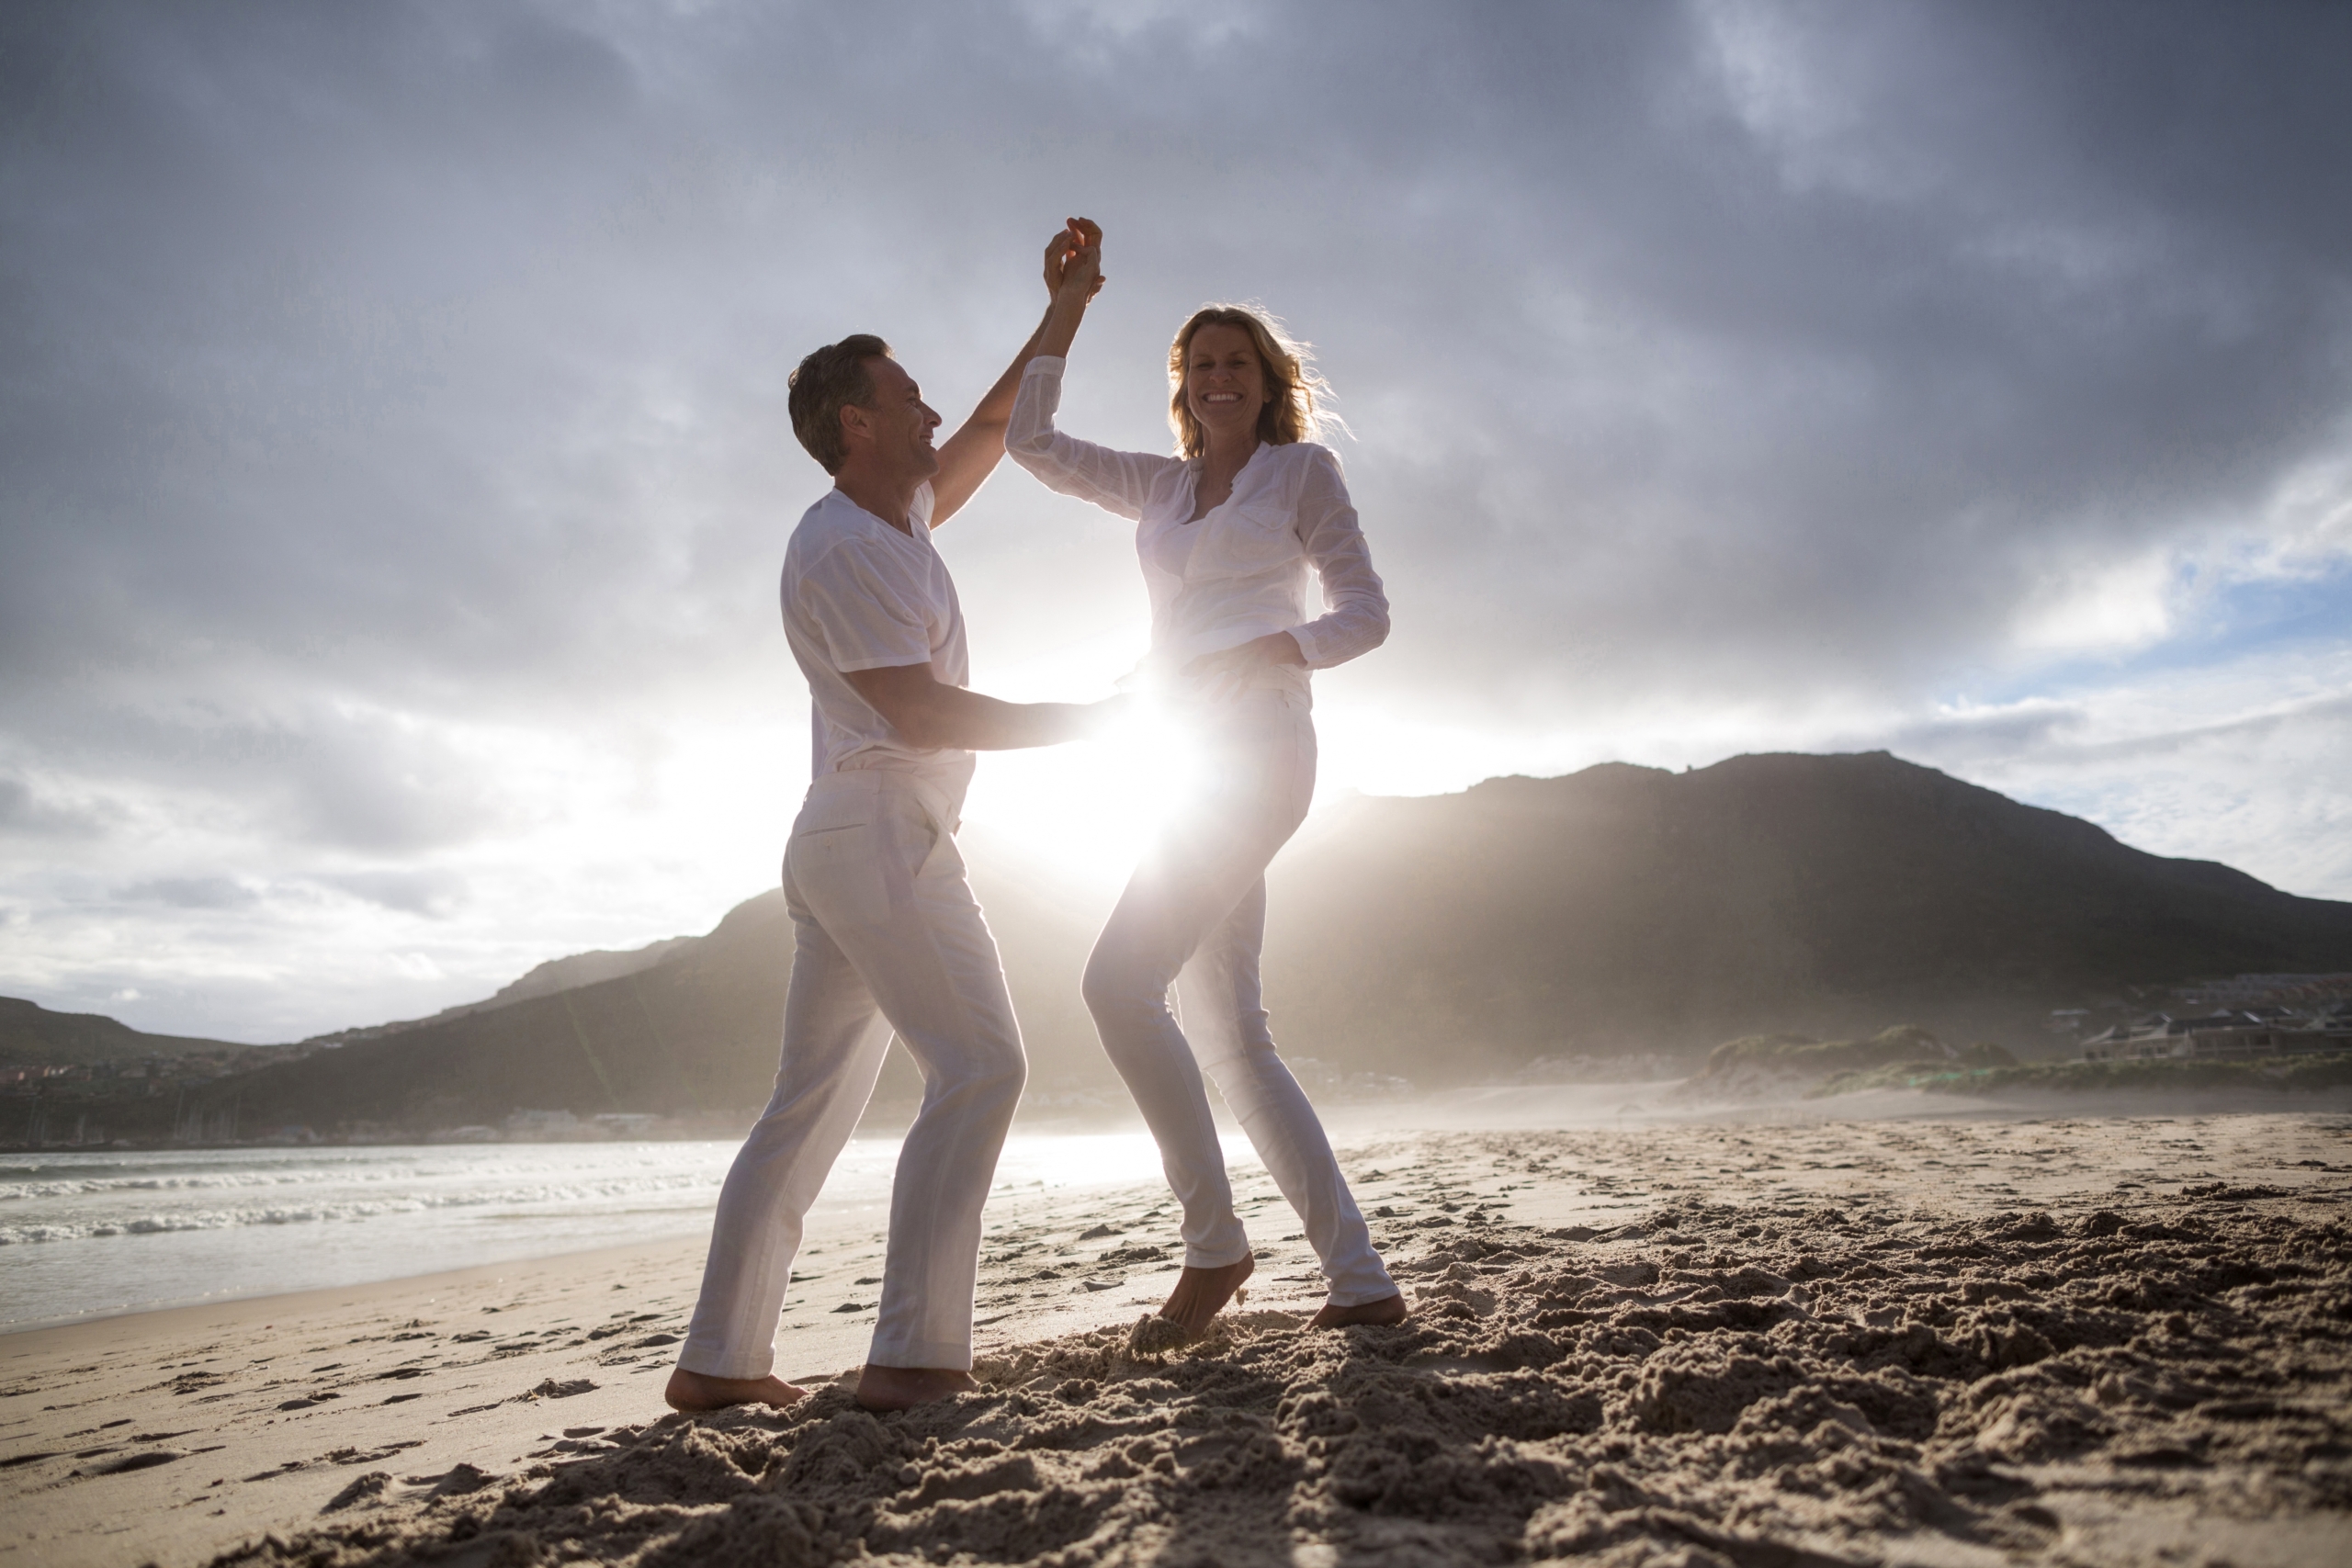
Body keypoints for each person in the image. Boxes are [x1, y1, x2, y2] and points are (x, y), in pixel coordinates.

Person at [668, 245, 1120, 1415]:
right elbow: (916, 710)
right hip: (877, 833)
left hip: (849, 836)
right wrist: (1100, 725)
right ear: (856, 423)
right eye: (904, 391)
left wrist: (1061, 311)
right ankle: (914, 1356)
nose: (929, 406)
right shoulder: (842, 547)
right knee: (981, 1066)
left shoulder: (898, 513)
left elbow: (988, 423)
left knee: (807, 1105)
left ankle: (716, 1367)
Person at [1006, 220, 1408, 1335]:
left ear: (1267, 381)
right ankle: (1361, 1281)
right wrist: (1069, 308)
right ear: (1180, 385)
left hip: (1262, 747)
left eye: (1237, 360)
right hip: (1176, 762)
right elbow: (1030, 444)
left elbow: (1366, 613)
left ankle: (1213, 1247)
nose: (1218, 376)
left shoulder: (1300, 473)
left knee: (1115, 984)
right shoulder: (1158, 489)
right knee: (1230, 1036)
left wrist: (1271, 649)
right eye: (1200, 363)